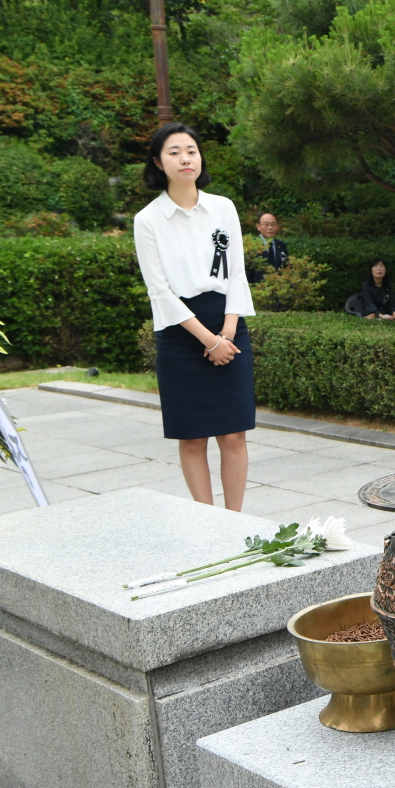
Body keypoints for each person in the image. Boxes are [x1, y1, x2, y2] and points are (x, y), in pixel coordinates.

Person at [133, 123, 257, 511]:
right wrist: (209, 340)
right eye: (174, 152)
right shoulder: (148, 219)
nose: (185, 158)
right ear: (158, 162)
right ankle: (207, 523)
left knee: (233, 435)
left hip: (229, 325)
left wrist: (227, 333)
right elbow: (160, 291)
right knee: (192, 438)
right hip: (180, 333)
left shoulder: (223, 208)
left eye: (191, 150)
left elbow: (237, 274)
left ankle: (235, 521)